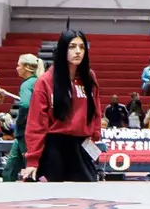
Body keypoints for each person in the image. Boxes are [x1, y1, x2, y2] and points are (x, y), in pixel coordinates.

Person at [21, 30, 102, 182]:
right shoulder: (46, 81)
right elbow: (36, 123)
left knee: (87, 197)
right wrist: (32, 160)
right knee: (54, 199)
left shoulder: (89, 77)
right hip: (54, 147)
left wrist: (95, 134)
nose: (78, 51)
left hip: (81, 145)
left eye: (82, 47)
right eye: (72, 47)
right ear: (63, 49)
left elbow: (96, 108)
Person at [2, 53, 42, 181]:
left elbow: (26, 104)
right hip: (24, 134)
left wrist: (16, 124)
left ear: (26, 67)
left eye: (19, 65)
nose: (17, 68)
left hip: (25, 133)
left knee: (29, 169)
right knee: (10, 168)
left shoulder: (26, 85)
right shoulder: (38, 81)